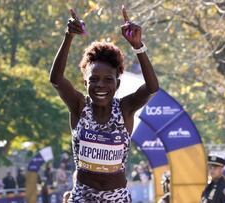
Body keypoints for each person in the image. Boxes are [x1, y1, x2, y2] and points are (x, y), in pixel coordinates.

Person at [49, 5, 159, 202]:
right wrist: (68, 36)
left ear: (117, 83)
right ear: (85, 82)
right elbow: (56, 79)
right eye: (94, 79)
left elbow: (151, 87)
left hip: (117, 198)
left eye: (108, 79)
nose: (101, 85)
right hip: (83, 197)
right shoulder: (79, 107)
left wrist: (138, 46)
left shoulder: (125, 109)